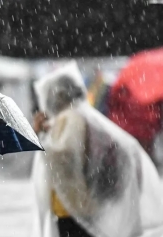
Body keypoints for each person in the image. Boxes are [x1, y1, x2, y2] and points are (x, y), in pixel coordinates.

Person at [30, 62, 163, 237]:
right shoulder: (83, 117)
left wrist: (41, 138)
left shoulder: (70, 118)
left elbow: (63, 155)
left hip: (73, 208)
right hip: (80, 205)